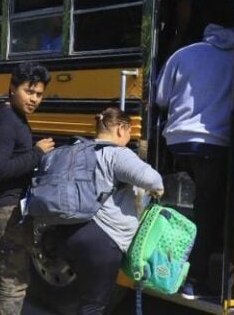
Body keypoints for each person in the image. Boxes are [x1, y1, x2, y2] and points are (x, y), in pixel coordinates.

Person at [49, 108, 164, 314]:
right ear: (121, 129)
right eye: (129, 133)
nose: (129, 139)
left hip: (67, 232)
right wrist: (158, 189)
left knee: (82, 298)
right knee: (94, 306)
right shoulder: (117, 153)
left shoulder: (78, 150)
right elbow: (151, 178)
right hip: (102, 240)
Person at [155, 22, 234, 297]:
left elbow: (161, 98)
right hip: (214, 144)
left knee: (187, 203)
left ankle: (166, 264)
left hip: (177, 143)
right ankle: (195, 279)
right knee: (210, 210)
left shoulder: (184, 54)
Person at [0, 62, 54, 315]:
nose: (34, 98)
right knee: (15, 280)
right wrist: (37, 153)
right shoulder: (7, 120)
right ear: (12, 88)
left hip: (8, 206)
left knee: (4, 274)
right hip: (6, 208)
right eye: (29, 91)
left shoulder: (12, 117)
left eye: (39, 94)